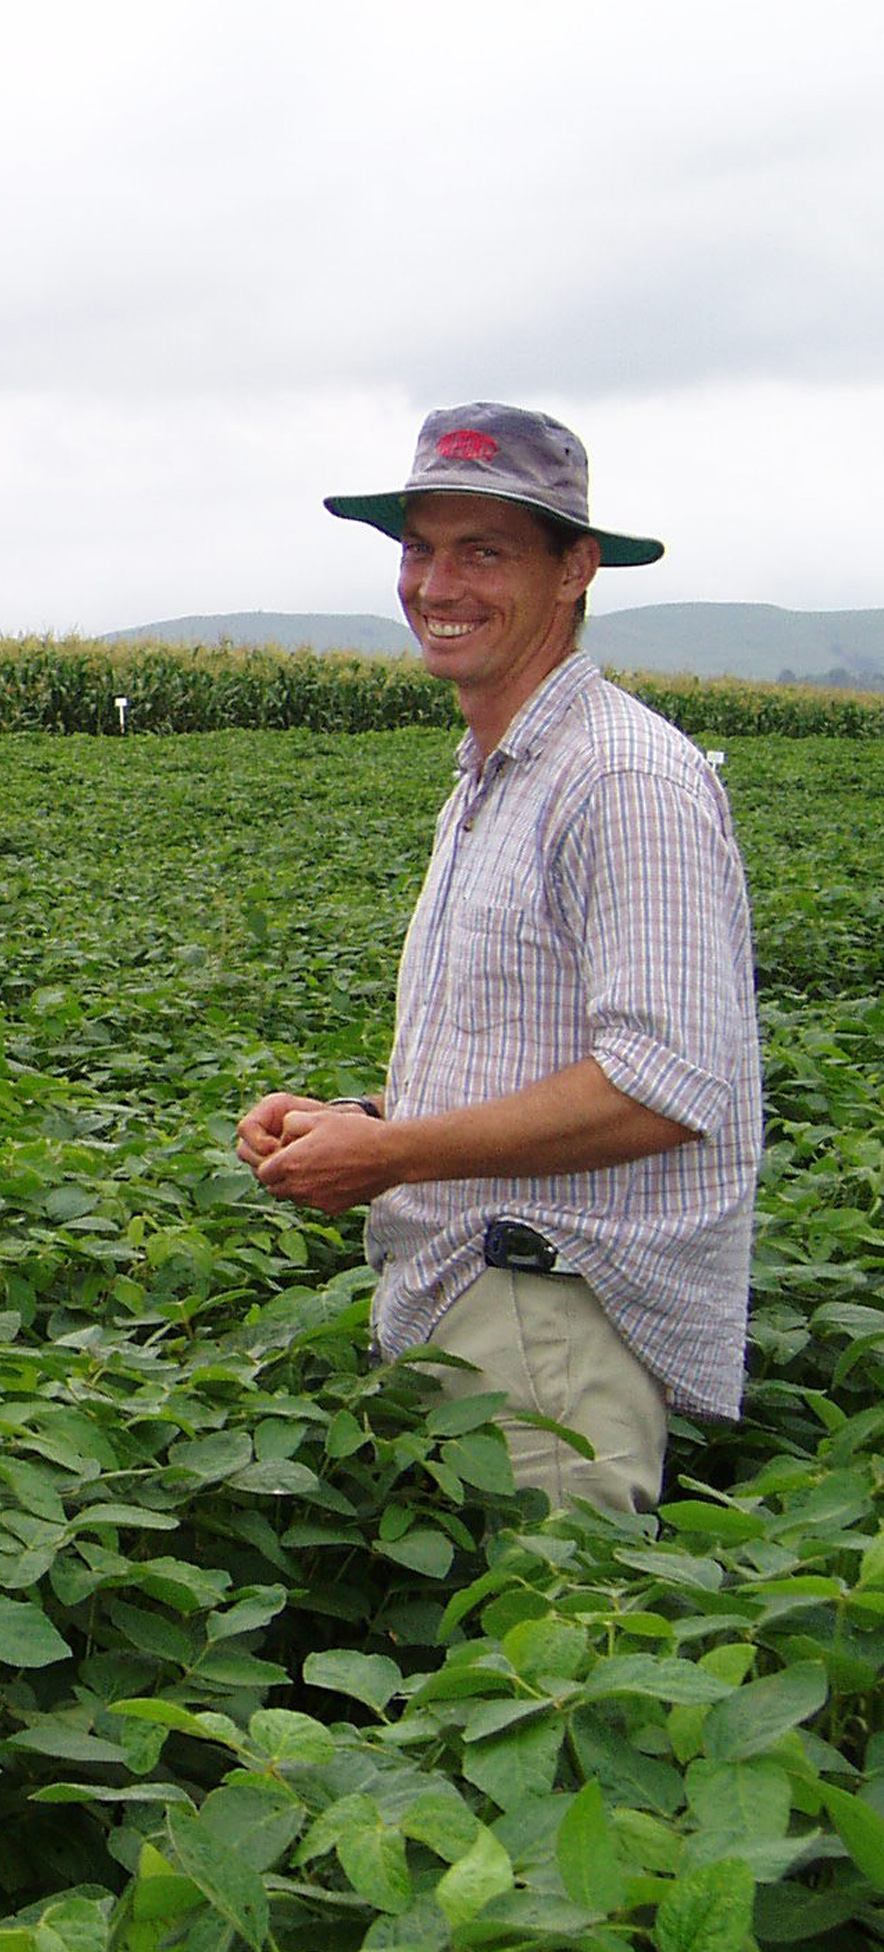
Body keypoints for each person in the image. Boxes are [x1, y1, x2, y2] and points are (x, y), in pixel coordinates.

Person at [236, 403, 760, 1514]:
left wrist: (397, 1156)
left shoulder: (618, 778)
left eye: (485, 551)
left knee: (557, 1640)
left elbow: (663, 1087)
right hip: (477, 1296)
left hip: (546, 1318)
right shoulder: (498, 773)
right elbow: (530, 1047)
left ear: (575, 569)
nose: (437, 585)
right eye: (422, 548)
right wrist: (365, 1121)